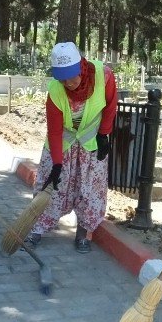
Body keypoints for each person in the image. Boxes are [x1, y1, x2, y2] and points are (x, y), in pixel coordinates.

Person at [24, 42, 118, 253]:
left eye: (71, 75)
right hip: (63, 142)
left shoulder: (103, 76)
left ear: (81, 66)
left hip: (91, 139)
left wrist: (104, 134)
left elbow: (111, 105)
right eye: (62, 77)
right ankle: (36, 229)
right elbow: (55, 131)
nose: (68, 82)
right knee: (50, 186)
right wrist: (57, 164)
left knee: (90, 189)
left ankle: (83, 233)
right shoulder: (56, 91)